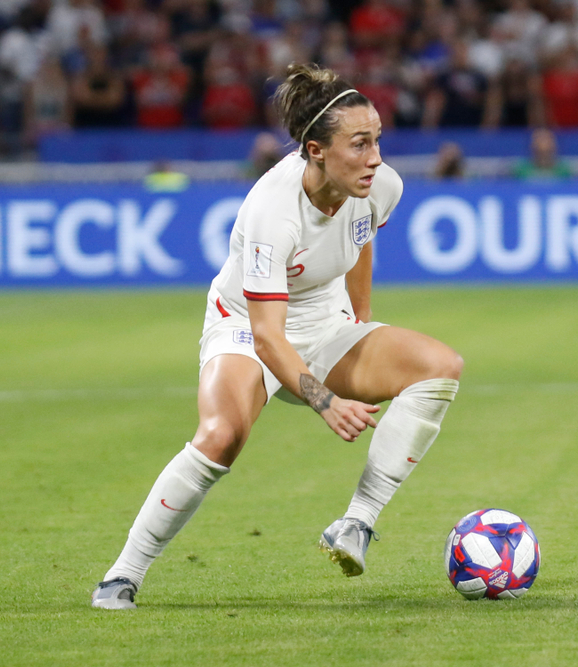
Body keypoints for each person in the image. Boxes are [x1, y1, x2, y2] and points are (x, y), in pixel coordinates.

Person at [91, 63, 463, 610]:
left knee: (440, 365)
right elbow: (268, 338)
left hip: (325, 321)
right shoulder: (273, 212)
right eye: (359, 144)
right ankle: (122, 574)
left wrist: (360, 317)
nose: (376, 158)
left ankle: (356, 524)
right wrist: (326, 401)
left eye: (378, 139)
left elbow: (359, 238)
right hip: (246, 326)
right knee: (221, 436)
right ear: (315, 150)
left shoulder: (381, 185)